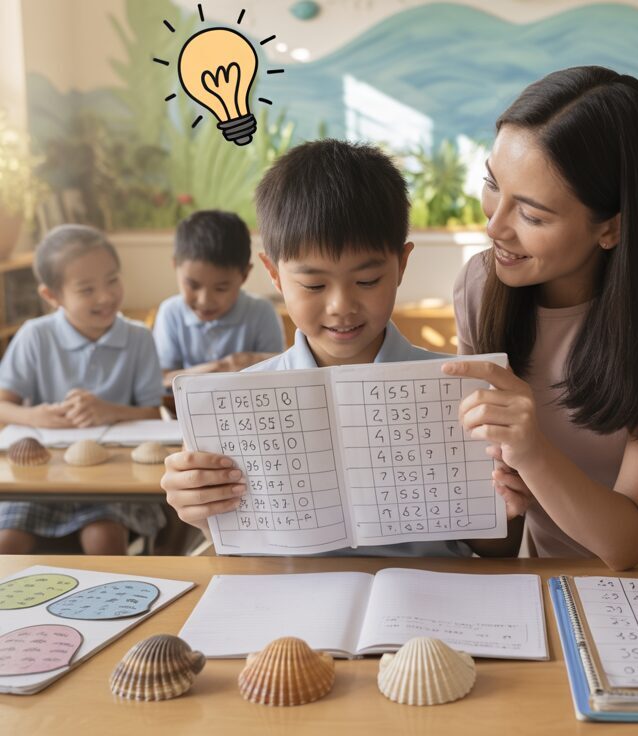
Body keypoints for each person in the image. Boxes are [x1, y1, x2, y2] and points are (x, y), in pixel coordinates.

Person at [446, 66, 638, 571]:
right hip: (558, 589)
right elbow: (499, 533)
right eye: (492, 184)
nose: (495, 225)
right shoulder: (481, 287)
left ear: (610, 228)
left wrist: (532, 451)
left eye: (533, 215)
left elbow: (627, 543)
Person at [160, 140, 518, 557]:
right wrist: (202, 511)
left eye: (367, 281)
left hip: (429, 605)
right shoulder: (234, 405)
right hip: (293, 610)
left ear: (401, 265)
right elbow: (242, 553)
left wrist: (505, 508)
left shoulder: (460, 392)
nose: (341, 306)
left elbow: (498, 551)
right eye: (313, 285)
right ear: (275, 275)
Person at [0, 225, 165, 554]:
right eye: (87, 289)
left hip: (112, 479)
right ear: (52, 296)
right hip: (45, 477)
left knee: (103, 537)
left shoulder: (138, 338)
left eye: (112, 280)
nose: (105, 297)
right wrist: (35, 416)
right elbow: (3, 404)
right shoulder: (35, 336)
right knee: (7, 542)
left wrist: (110, 410)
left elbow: (152, 412)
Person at [153, 209, 285, 388]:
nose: (204, 301)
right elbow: (162, 379)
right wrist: (223, 367)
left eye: (221, 288)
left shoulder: (262, 312)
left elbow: (281, 373)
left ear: (244, 275)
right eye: (193, 285)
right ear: (175, 265)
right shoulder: (171, 313)